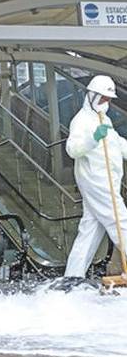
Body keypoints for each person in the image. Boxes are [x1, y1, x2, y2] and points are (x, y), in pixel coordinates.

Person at [64, 75, 127, 278]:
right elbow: (72, 149)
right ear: (91, 95)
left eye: (108, 99)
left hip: (108, 182)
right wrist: (93, 139)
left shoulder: (104, 119)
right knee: (120, 222)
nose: (105, 103)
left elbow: (117, 144)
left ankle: (72, 277)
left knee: (89, 230)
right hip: (97, 183)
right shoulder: (81, 121)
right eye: (102, 98)